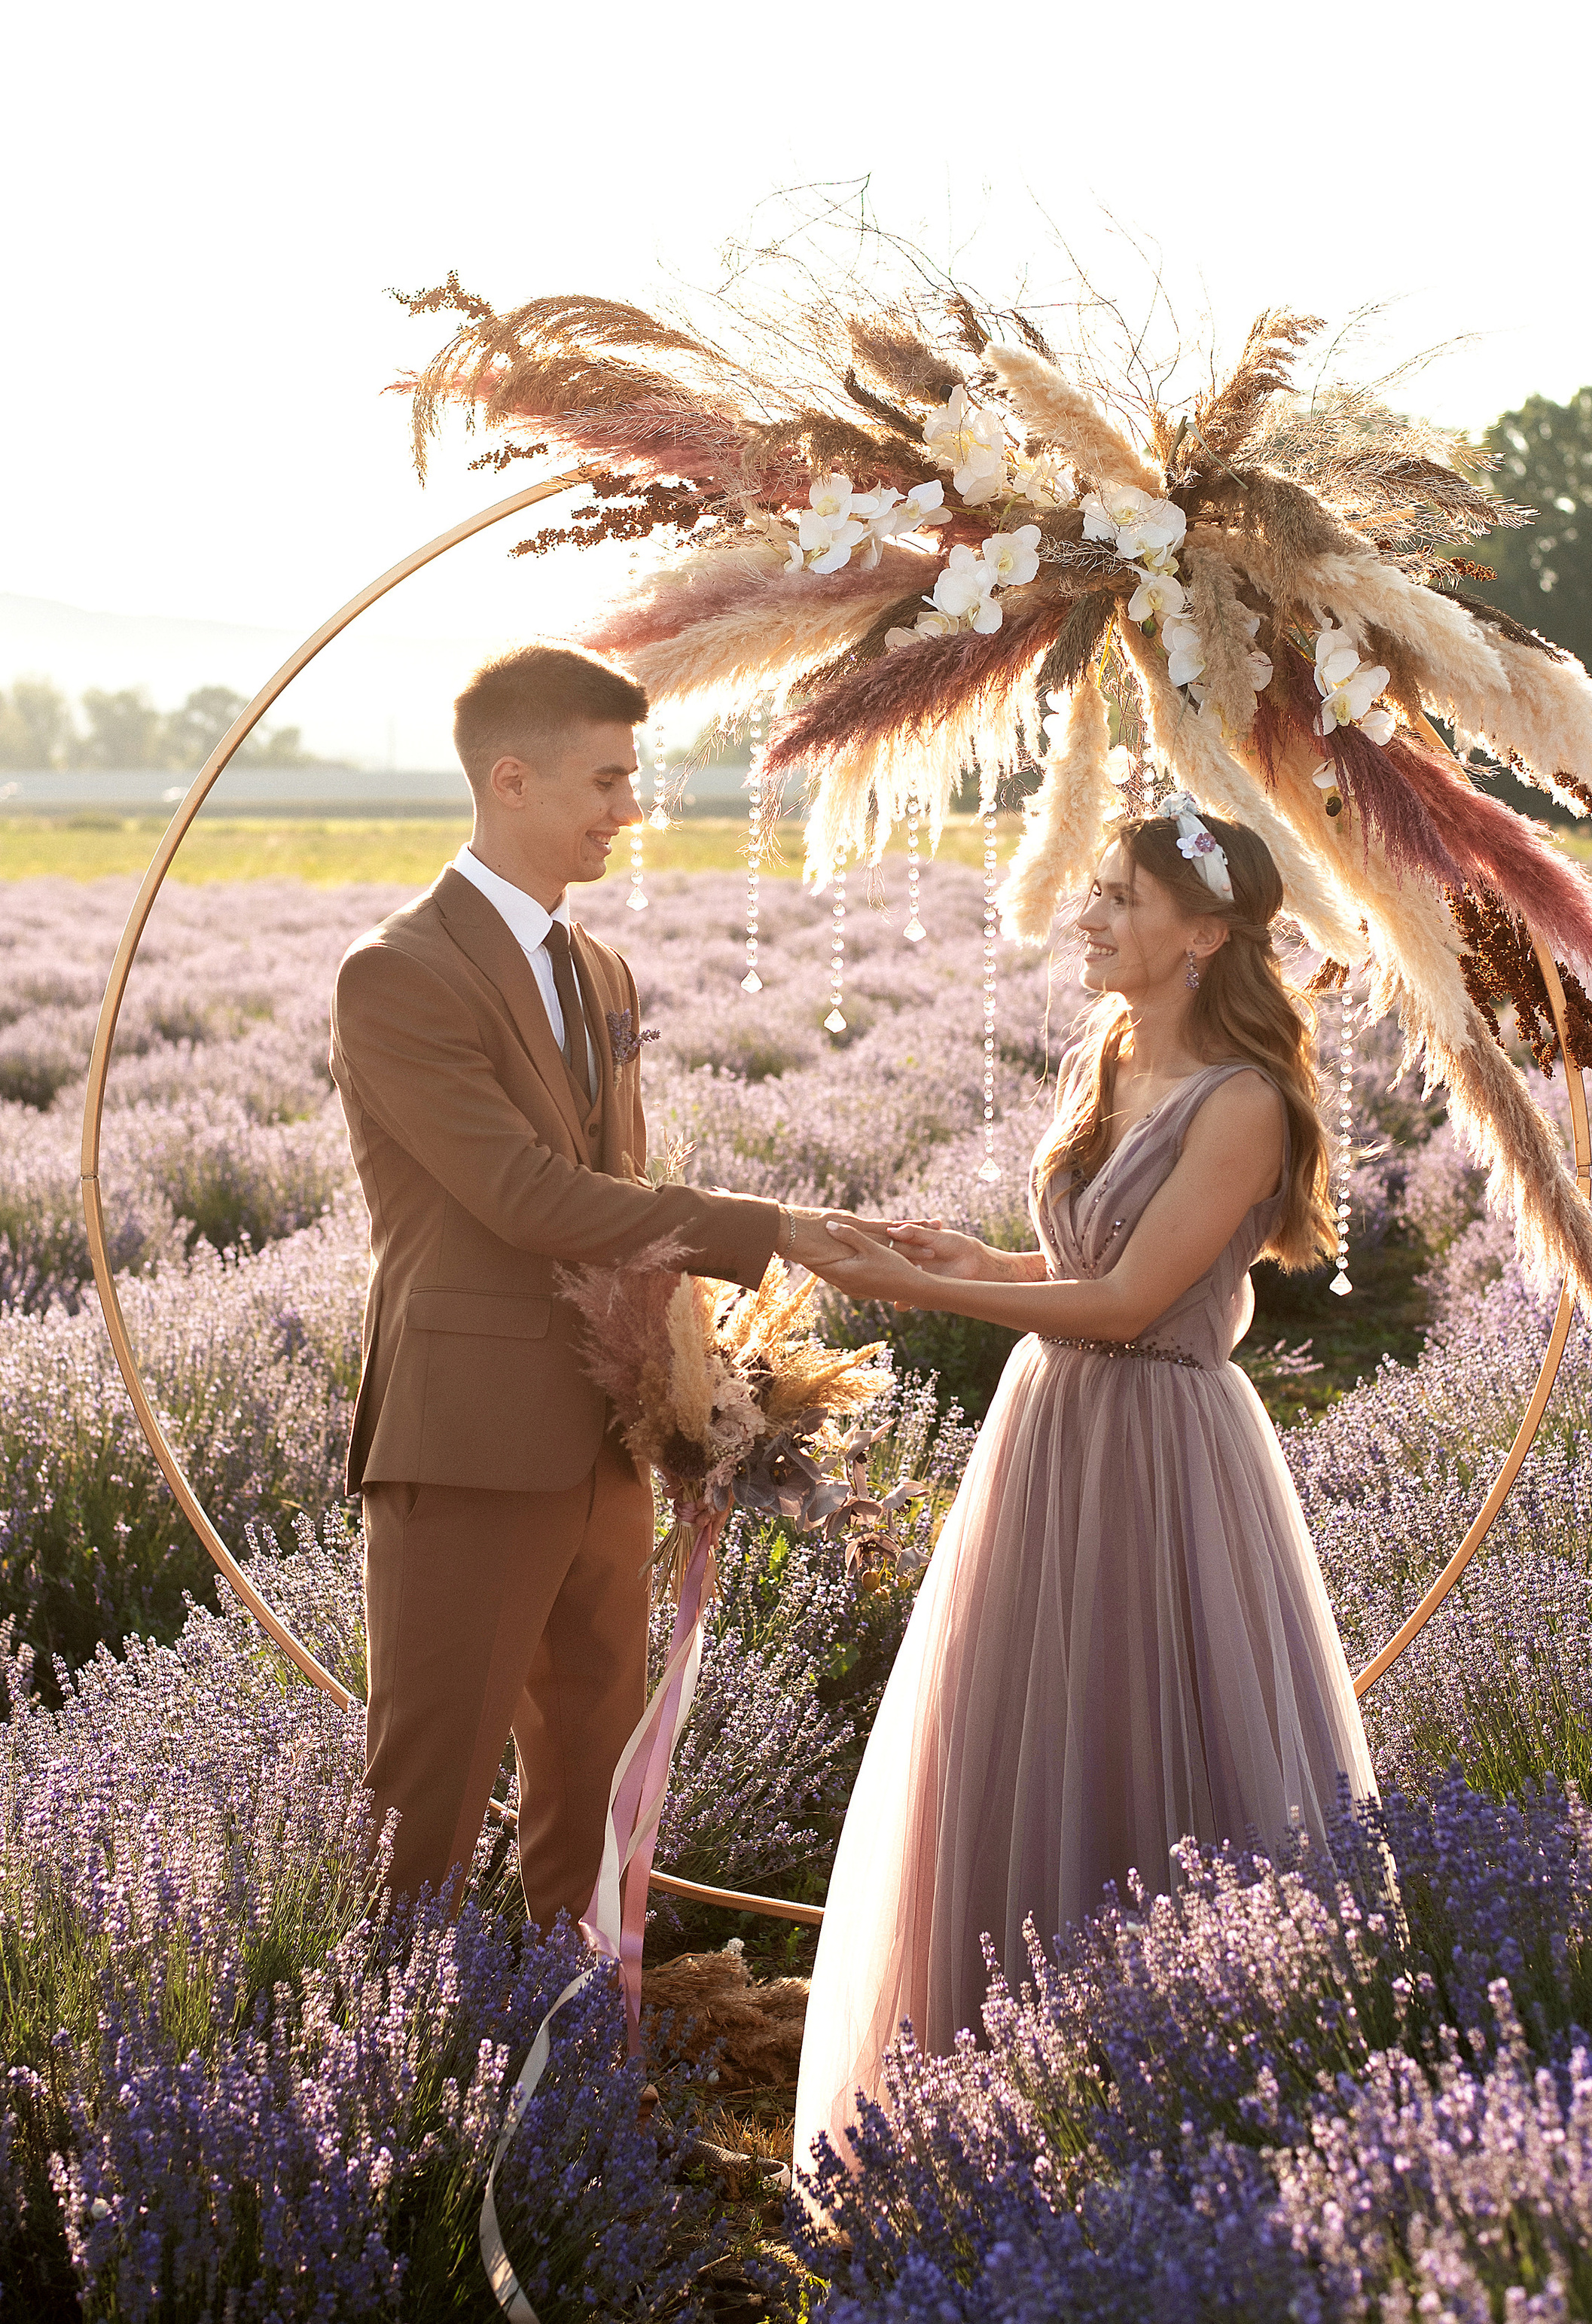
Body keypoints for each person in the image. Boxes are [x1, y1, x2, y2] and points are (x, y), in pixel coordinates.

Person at [795, 798, 1378, 2166]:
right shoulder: (1110, 1057)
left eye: (1121, 895)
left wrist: (898, 1290)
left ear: (1206, 935)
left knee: (1139, 1724)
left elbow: (1124, 1304)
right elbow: (1069, 1275)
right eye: (1097, 888)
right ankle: (985, 2098)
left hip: (1159, 1450)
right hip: (1050, 1428)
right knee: (1016, 1727)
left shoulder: (1246, 1104)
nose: (1090, 912)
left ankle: (1172, 2097)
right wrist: (961, 1260)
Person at [329, 641, 863, 1929]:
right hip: (468, 1439)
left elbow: (616, 1186)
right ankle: (399, 2086)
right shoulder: (397, 972)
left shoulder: (599, 970)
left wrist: (692, 1378)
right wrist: (772, 1230)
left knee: (600, 1779)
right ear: (510, 780)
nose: (632, 810)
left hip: (608, 1435)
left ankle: (574, 2055)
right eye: (609, 782)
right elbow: (524, 1197)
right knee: (430, 1798)